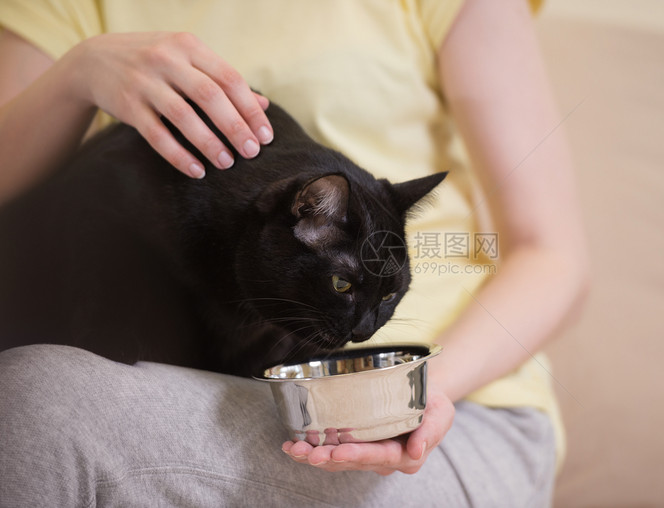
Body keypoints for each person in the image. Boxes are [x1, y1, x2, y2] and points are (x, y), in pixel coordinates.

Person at [0, 0, 589, 505]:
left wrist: (420, 390)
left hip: (447, 415)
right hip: (184, 377)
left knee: (37, 407)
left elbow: (553, 257)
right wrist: (80, 72)